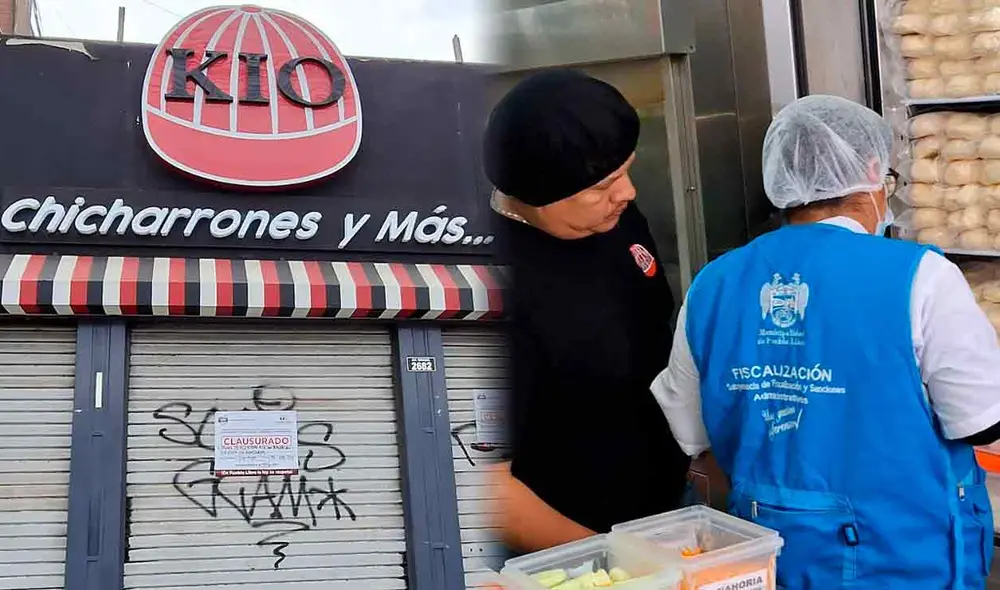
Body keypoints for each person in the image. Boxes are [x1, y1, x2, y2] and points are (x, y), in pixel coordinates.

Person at [651, 94, 1000, 588]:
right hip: (900, 557)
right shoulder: (920, 276)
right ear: (874, 171)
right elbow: (982, 422)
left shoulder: (714, 283)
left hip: (766, 558)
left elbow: (693, 435)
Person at [482, 69, 692, 553]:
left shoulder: (615, 218)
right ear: (536, 193)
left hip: (669, 508)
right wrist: (612, 561)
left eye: (627, 171)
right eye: (603, 185)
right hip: (571, 549)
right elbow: (488, 487)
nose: (628, 193)